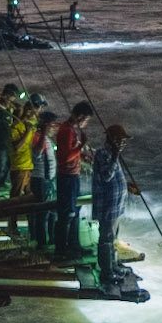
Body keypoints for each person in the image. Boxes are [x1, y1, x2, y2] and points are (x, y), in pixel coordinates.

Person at [91, 122, 138, 292]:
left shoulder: (111, 154)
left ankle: (113, 265)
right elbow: (106, 176)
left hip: (116, 205)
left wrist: (127, 186)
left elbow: (115, 176)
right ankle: (107, 272)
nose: (122, 144)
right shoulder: (103, 154)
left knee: (113, 238)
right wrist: (115, 155)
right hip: (107, 205)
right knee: (106, 239)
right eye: (120, 141)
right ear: (113, 140)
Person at [53, 99, 94, 257]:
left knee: (75, 211)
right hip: (67, 177)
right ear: (80, 116)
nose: (86, 123)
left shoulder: (72, 129)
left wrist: (82, 156)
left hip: (73, 176)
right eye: (86, 120)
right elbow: (64, 157)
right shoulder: (66, 130)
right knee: (67, 213)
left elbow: (71, 152)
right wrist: (81, 146)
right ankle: (62, 249)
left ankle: (74, 245)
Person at [7, 95, 37, 237]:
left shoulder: (27, 125)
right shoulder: (15, 128)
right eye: (28, 111)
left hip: (28, 167)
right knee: (16, 198)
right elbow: (17, 147)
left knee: (29, 197)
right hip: (19, 168)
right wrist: (28, 132)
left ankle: (31, 226)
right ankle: (12, 225)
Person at [30, 111, 58, 248]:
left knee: (51, 212)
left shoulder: (48, 139)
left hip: (49, 180)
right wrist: (43, 134)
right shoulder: (37, 137)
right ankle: (41, 243)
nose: (54, 128)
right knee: (42, 213)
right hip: (40, 180)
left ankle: (51, 238)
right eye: (52, 125)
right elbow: (36, 153)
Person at [0, 84, 20, 195]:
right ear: (7, 96)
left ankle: (1, 183)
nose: (14, 100)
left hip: (8, 143)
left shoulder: (9, 109)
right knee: (0, 165)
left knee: (8, 165)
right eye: (13, 97)